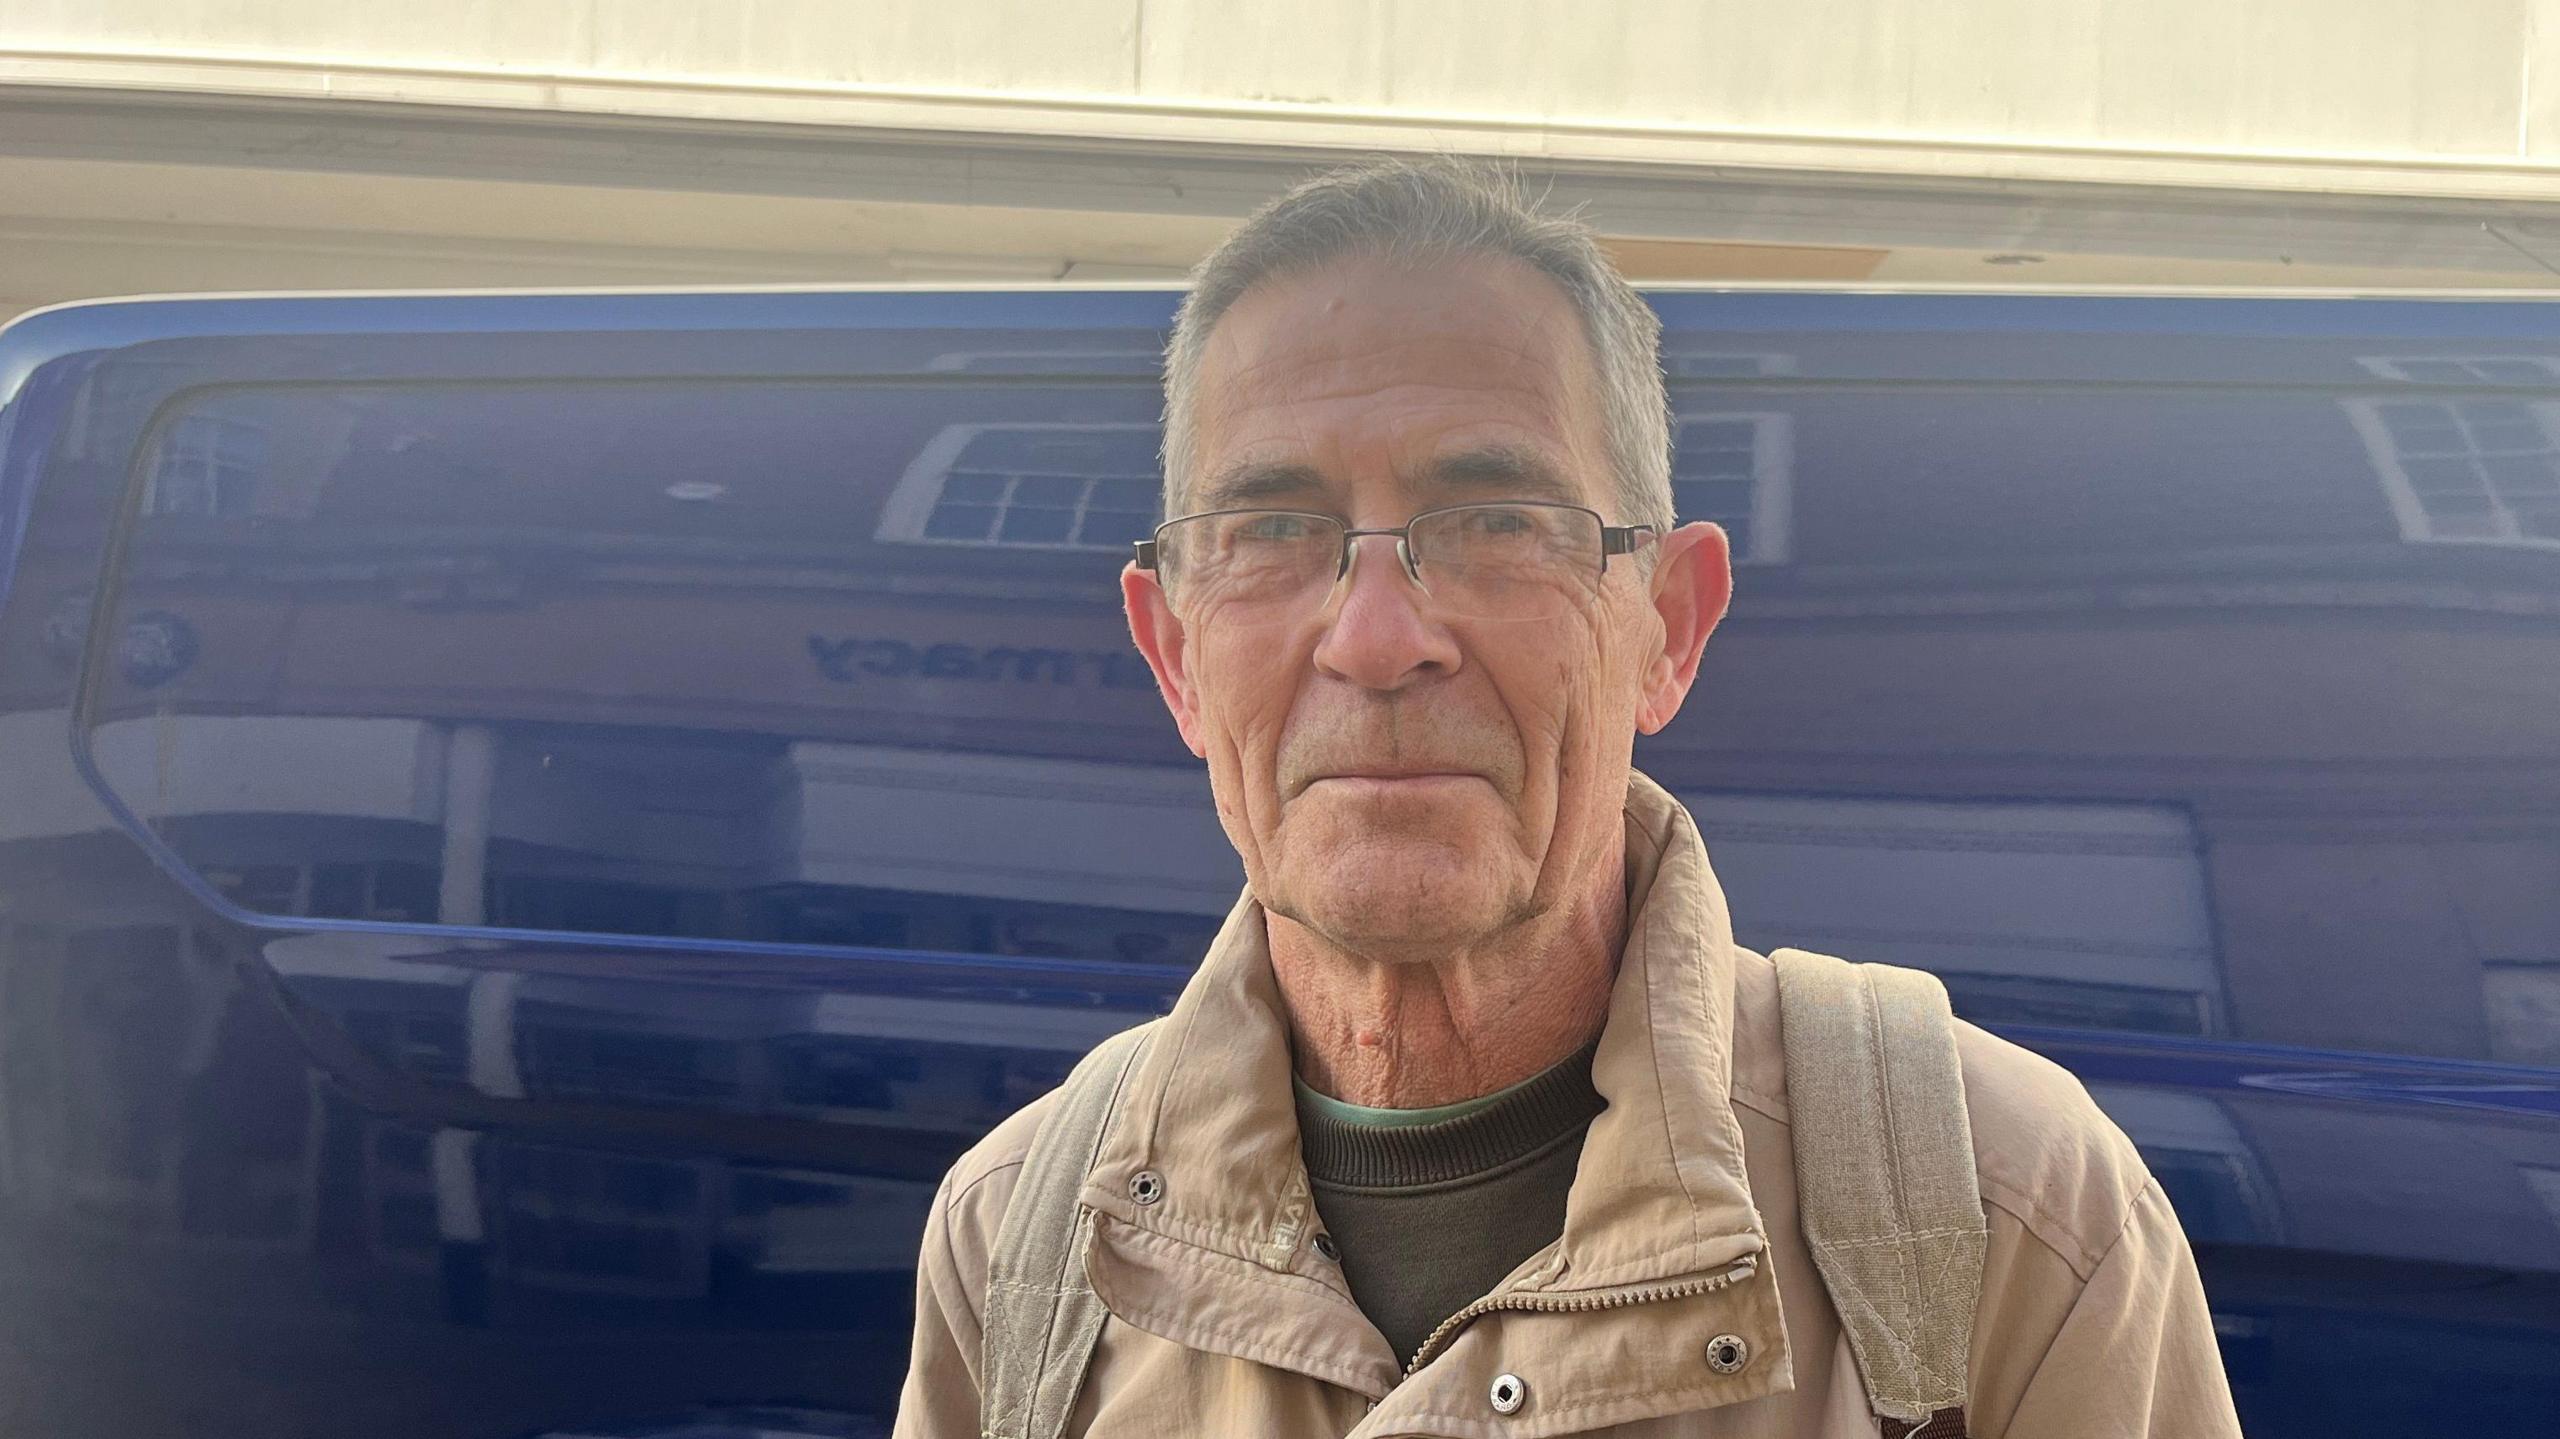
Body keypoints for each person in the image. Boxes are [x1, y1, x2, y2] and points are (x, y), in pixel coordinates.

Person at [893, 156, 2244, 1437]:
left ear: (1667, 624)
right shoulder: (1018, 1243)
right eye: (1273, 534)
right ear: (1175, 655)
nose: (1375, 638)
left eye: (1495, 523)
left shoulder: (2012, 1212)